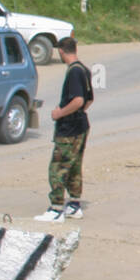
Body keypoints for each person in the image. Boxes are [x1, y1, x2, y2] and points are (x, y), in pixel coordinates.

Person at [35, 37, 93, 222]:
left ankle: (56, 208)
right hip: (81, 125)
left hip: (69, 129)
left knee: (58, 168)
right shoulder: (84, 69)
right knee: (74, 166)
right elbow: (89, 99)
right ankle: (74, 204)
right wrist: (78, 113)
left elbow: (78, 100)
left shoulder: (74, 72)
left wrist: (60, 113)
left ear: (61, 51)